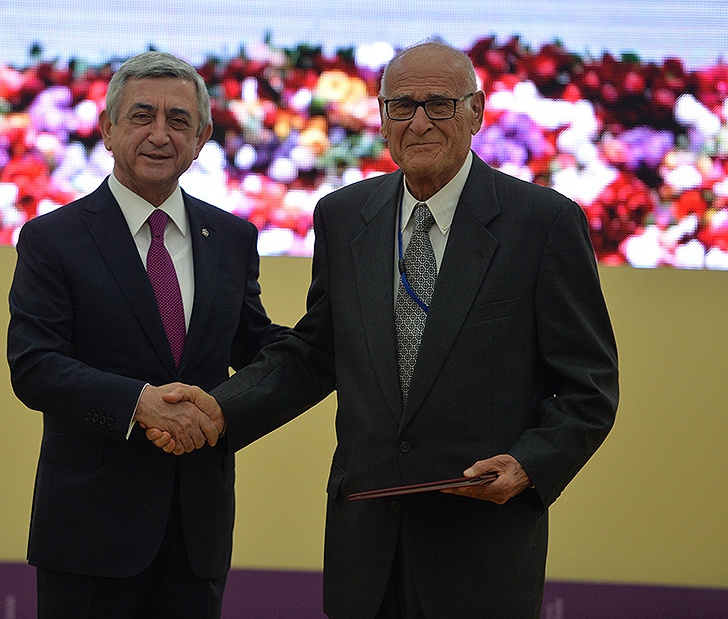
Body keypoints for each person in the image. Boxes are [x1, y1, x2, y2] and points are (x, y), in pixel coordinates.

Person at [148, 39, 619, 619]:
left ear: (475, 111)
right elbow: (316, 352)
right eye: (402, 106)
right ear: (382, 116)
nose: (419, 122)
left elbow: (589, 387)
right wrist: (219, 411)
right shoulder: (344, 217)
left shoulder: (543, 223)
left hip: (480, 549)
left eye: (439, 104)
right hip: (365, 550)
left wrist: (530, 465)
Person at [6, 50, 284, 619]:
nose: (160, 134)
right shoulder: (53, 240)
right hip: (87, 537)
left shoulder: (231, 239)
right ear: (108, 129)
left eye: (179, 120)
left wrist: (343, 341)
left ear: (202, 138)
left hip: (196, 535)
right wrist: (140, 404)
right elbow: (35, 366)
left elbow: (255, 347)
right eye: (142, 116)